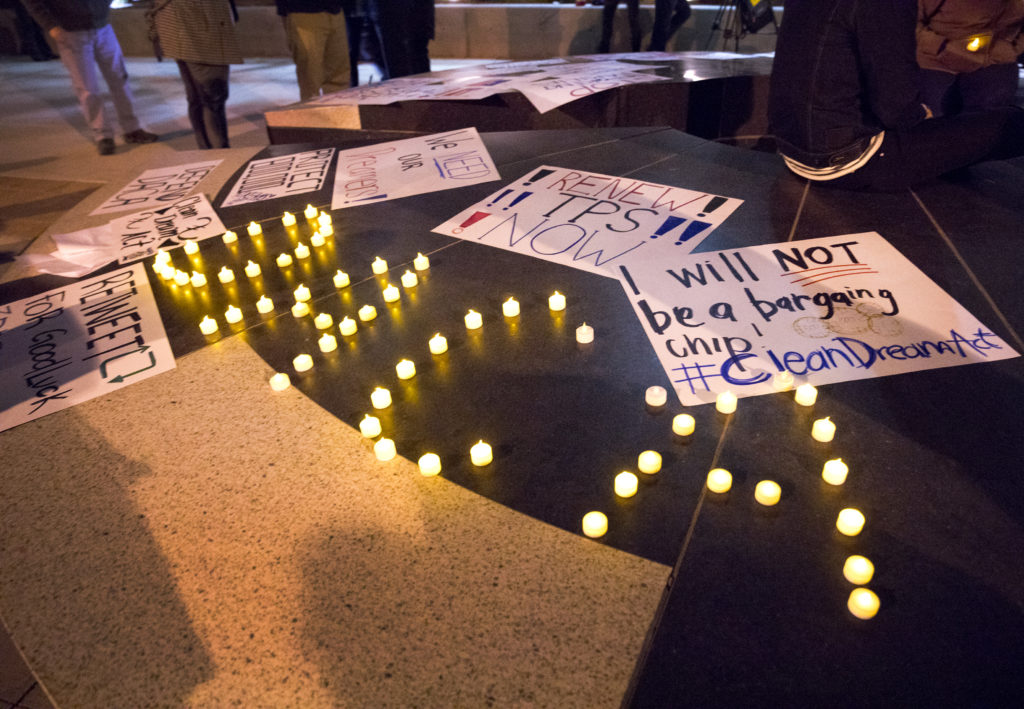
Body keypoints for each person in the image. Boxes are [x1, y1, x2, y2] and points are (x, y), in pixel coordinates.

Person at [769, 0, 1024, 191]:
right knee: (1009, 124)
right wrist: (922, 113)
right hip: (847, 159)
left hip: (792, 148)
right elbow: (896, 109)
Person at [20, 0, 158, 155]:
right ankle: (103, 135)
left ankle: (132, 128)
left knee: (120, 79)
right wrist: (51, 26)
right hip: (70, 30)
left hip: (102, 26)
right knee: (87, 88)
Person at [147, 0, 242, 150]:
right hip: (198, 25)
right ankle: (219, 154)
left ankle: (209, 153)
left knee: (199, 97)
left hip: (181, 24)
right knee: (212, 98)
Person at [917, 0, 1024, 116]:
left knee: (989, 126)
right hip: (939, 64)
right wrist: (941, 47)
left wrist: (1011, 50)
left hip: (995, 66)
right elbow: (909, 22)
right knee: (935, 125)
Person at [275, 0, 353, 101]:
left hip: (335, 10)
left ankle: (337, 113)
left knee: (339, 76)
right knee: (310, 78)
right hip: (304, 12)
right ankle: (313, 114)